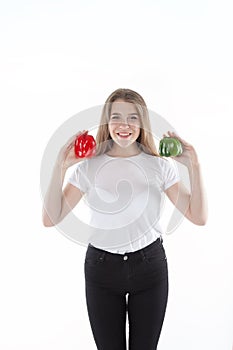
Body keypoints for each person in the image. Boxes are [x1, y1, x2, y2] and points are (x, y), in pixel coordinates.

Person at [42, 88, 208, 350]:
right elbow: (51, 218)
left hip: (149, 267)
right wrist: (60, 166)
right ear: (106, 122)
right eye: (116, 116)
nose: (124, 125)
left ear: (142, 124)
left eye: (133, 118)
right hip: (101, 268)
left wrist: (194, 167)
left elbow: (198, 216)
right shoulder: (89, 166)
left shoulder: (159, 165)